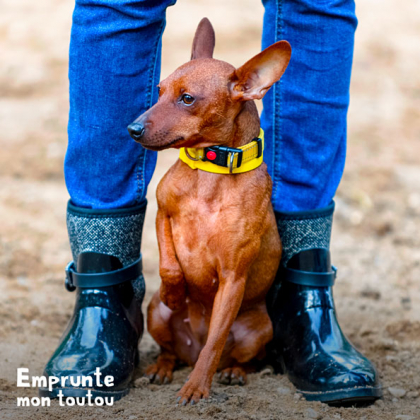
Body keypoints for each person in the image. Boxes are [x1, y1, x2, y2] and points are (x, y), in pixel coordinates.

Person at [41, 0, 381, 404]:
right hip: (181, 298)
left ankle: (302, 292)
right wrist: (168, 273)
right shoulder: (178, 176)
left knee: (312, 3)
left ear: (250, 87)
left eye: (184, 99)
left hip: (239, 256)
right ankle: (103, 285)